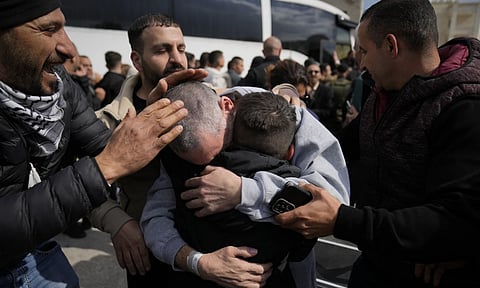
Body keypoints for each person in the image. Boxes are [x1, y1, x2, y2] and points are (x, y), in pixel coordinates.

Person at [275, 0, 480, 287]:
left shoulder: (464, 106)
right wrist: (293, 112)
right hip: (375, 263)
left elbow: (454, 221)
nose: (360, 63)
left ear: (391, 46)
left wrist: (342, 220)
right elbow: (337, 150)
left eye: (364, 51)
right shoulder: (382, 94)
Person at [0, 1, 189, 287]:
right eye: (48, 30)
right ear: (136, 60)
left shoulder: (60, 88)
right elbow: (98, 165)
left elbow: (105, 150)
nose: (70, 49)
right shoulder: (111, 115)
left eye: (181, 49)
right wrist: (116, 215)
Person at [142, 83, 350, 288]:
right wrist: (198, 262)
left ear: (227, 105)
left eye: (223, 147)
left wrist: (244, 191)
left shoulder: (284, 116)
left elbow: (333, 202)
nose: (218, 165)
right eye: (201, 164)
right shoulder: (177, 139)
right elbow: (154, 218)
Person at [92, 13, 206, 288]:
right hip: (148, 254)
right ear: (136, 60)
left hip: (207, 246)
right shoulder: (108, 121)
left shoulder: (209, 101)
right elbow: (84, 185)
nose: (177, 59)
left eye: (181, 48)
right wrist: (118, 222)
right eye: (162, 50)